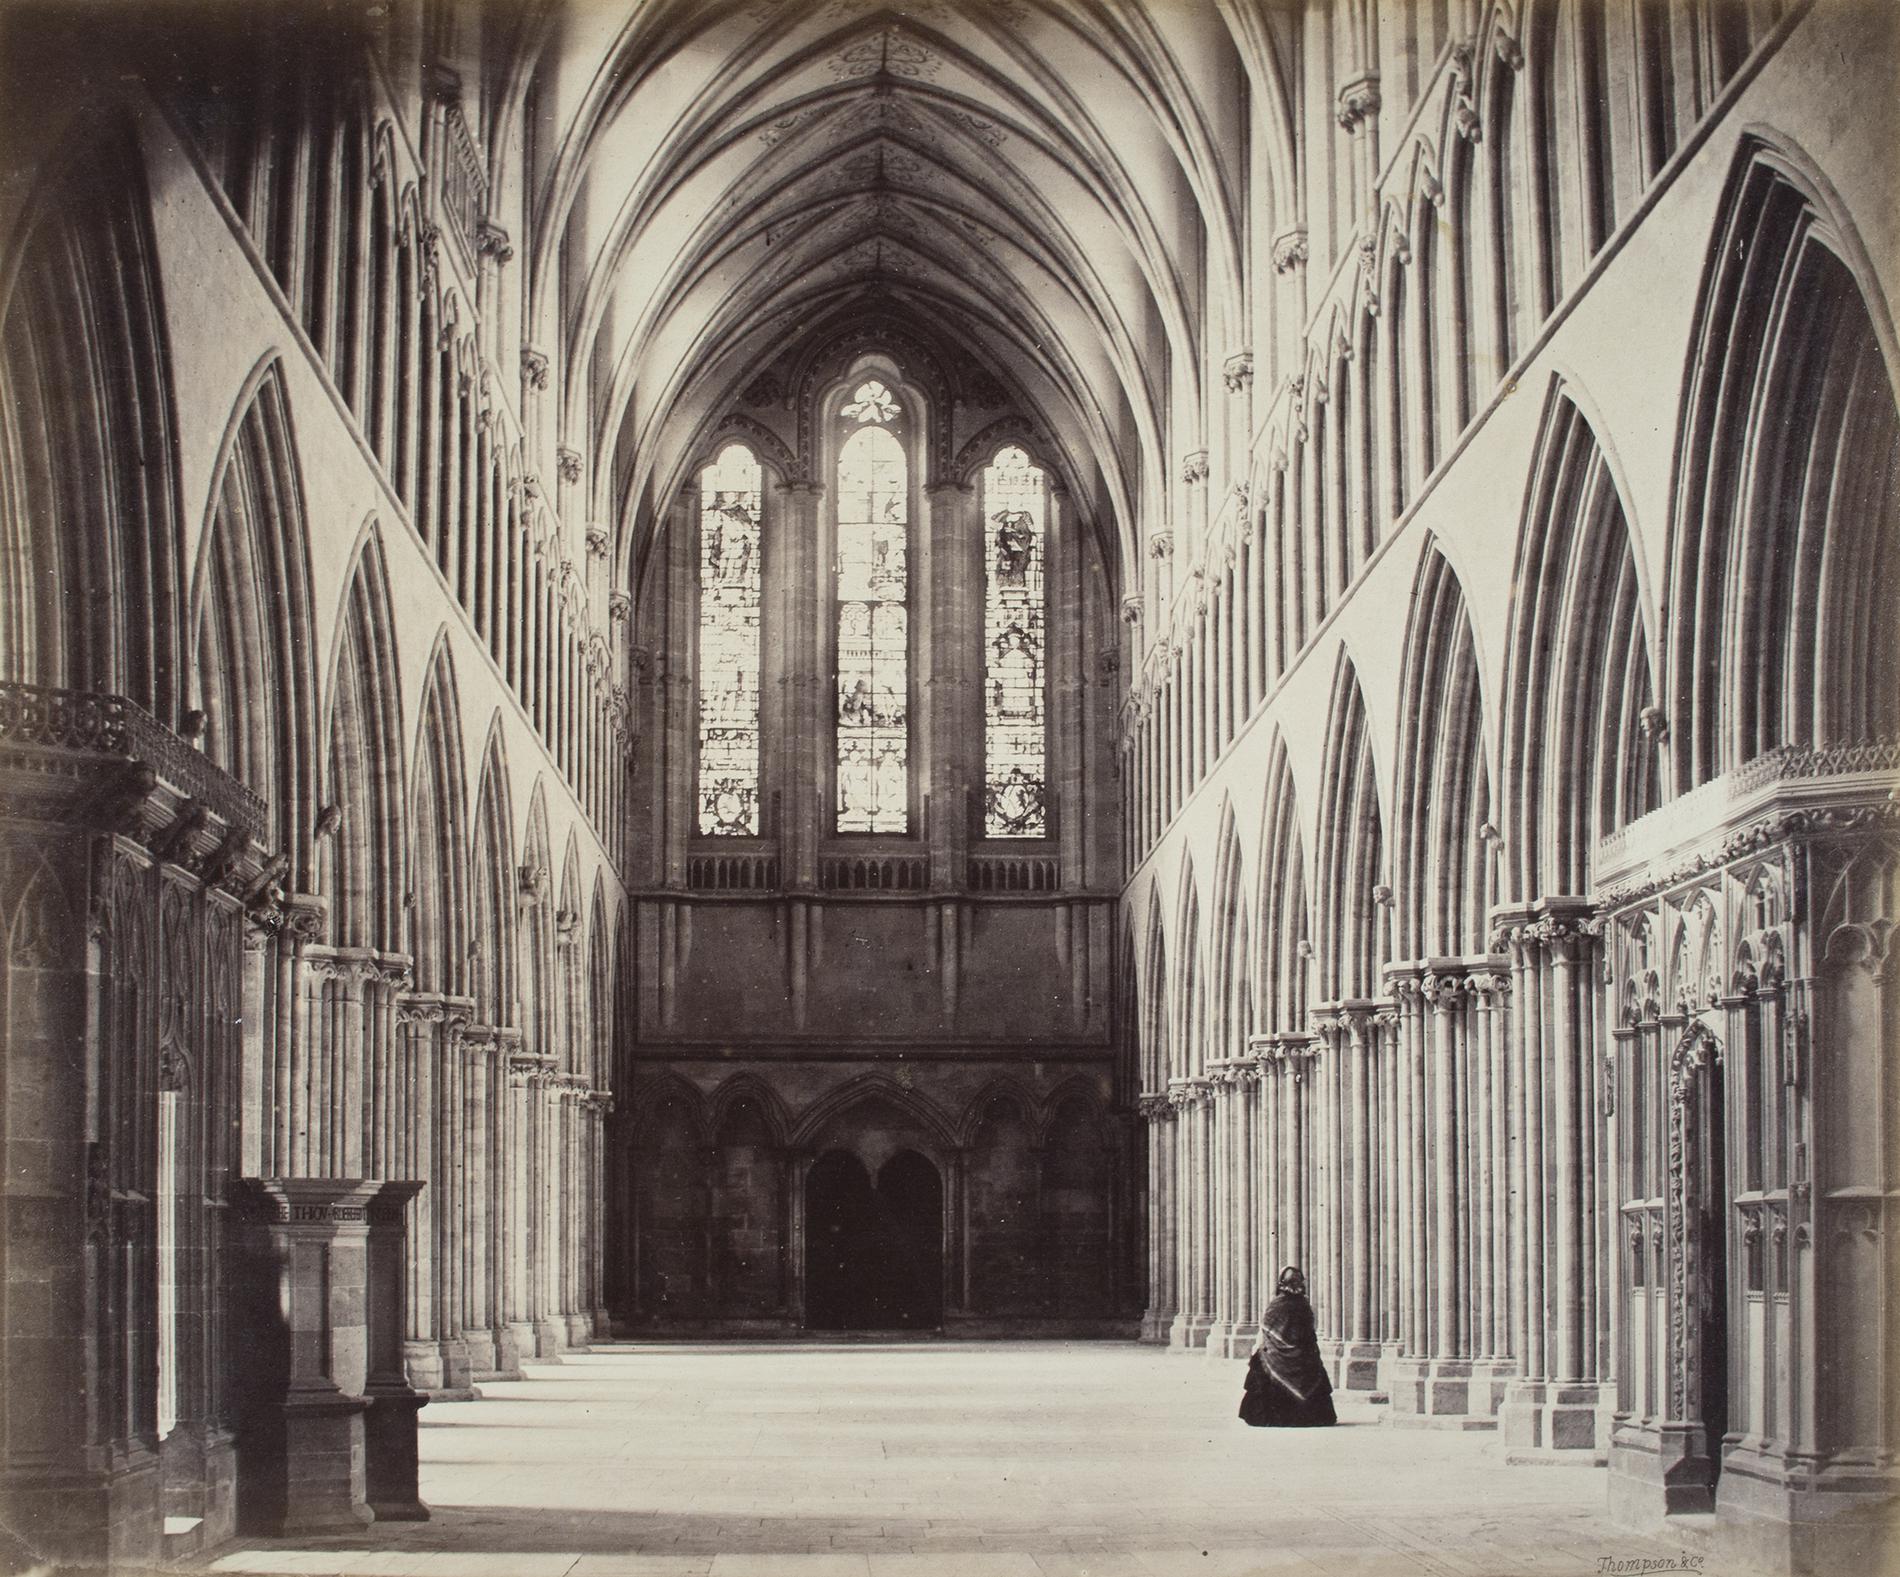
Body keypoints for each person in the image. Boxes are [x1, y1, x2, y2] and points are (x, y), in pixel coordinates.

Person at [1239, 1266, 1337, 1427]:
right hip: (1300, 1355)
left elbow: (1269, 1331)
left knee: (1263, 1362)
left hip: (1283, 1355)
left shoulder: (1286, 1304)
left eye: (1298, 1280)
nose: (1296, 1283)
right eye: (1293, 1281)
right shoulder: (1296, 1304)